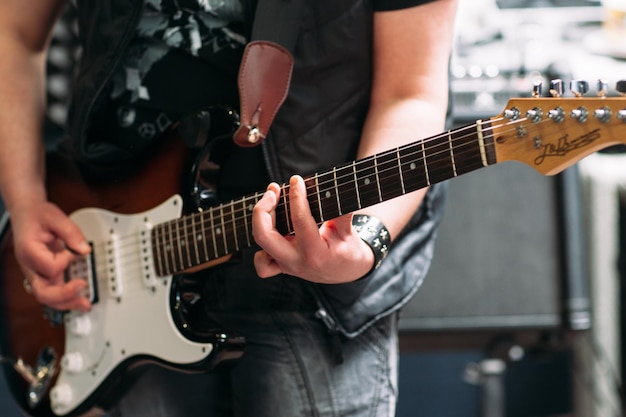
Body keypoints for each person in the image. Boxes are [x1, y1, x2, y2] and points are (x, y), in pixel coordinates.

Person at [0, 0, 457, 416]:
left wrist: (366, 237)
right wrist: (23, 200)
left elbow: (411, 94)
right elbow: (13, 32)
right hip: (112, 246)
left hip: (307, 284)